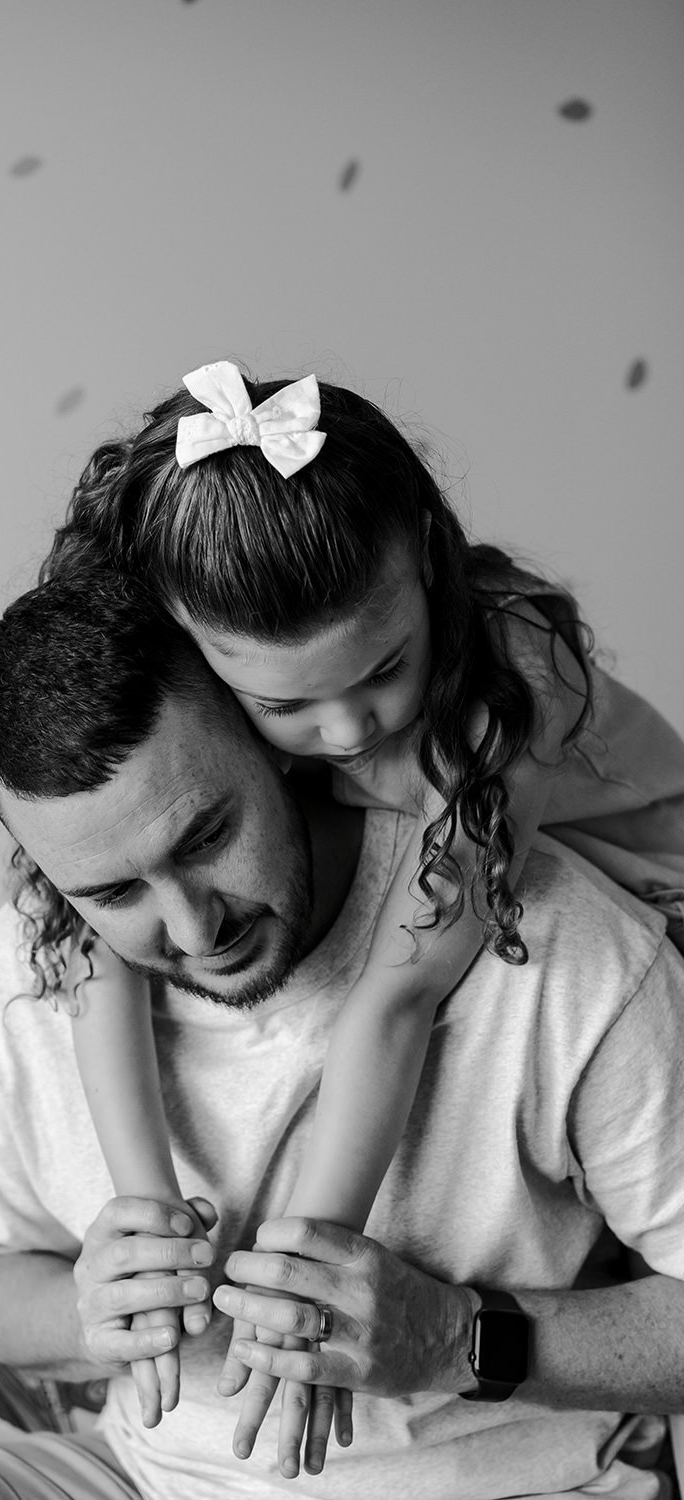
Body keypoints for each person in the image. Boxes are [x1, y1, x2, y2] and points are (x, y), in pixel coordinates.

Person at [0, 566, 684, 1500]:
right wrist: (85, 1308)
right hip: (133, 1479)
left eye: (205, 839)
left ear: (276, 742)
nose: (192, 930)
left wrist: (454, 1336)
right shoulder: (31, 965)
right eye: (112, 893)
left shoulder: (563, 950)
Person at [40, 360, 684, 1448]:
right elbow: (99, 945)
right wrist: (149, 1221)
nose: (346, 732)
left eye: (382, 669)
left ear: (431, 569)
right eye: (286, 703)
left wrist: (310, 1268)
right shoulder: (197, 712)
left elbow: (396, 997)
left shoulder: (500, 694)